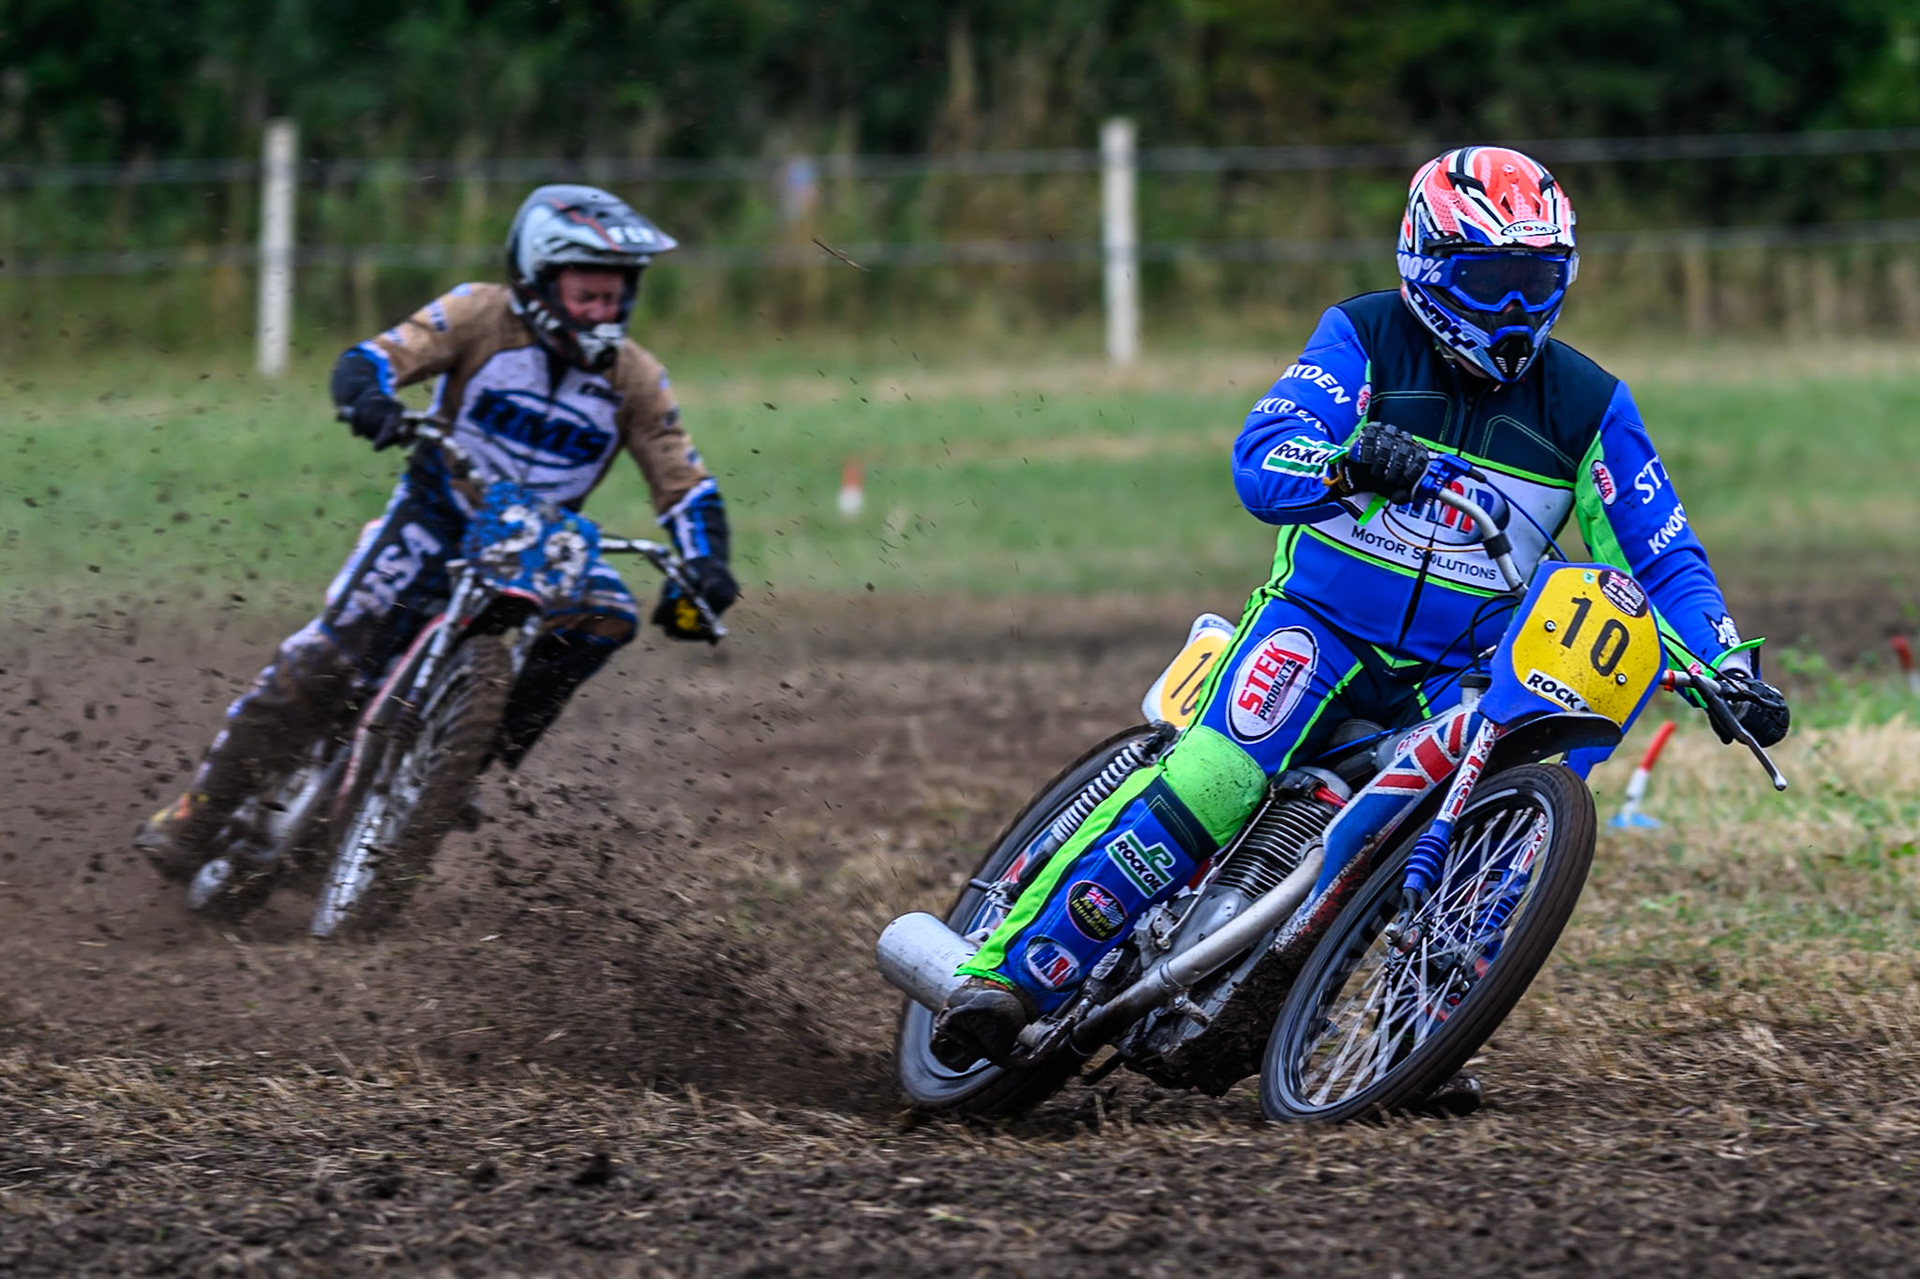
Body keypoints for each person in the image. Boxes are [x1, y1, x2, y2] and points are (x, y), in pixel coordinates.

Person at [930, 146, 1791, 1068]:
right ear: (1426, 266)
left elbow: (1665, 557)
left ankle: (1412, 1039)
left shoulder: (1591, 405)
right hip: (1317, 627)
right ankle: (1010, 972)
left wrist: (1728, 668)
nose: (1513, 307)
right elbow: (1263, 457)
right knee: (1215, 779)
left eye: (1535, 279)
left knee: (1471, 817)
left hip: (1456, 669)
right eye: (1490, 279)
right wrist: (1347, 462)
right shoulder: (1363, 337)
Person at [137, 185, 738, 875]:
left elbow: (685, 483)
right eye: (586, 296)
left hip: (537, 539)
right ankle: (199, 811)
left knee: (606, 613)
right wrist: (369, 399)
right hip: (438, 512)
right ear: (538, 279)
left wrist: (706, 563)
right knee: (322, 661)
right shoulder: (479, 313)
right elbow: (376, 357)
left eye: (614, 297)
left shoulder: (636, 376)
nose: (602, 312)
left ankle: (461, 755)